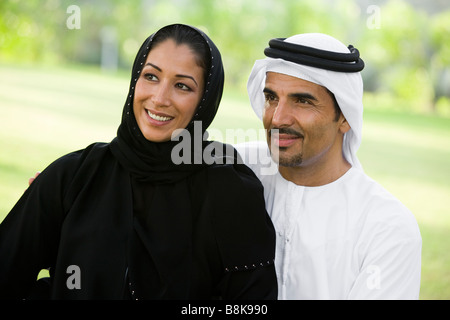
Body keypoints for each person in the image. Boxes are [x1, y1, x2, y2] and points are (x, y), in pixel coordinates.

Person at [0, 24, 277, 299]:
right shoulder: (75, 175)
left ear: (205, 100)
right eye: (151, 77)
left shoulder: (229, 189)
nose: (159, 98)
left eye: (182, 86)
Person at [235, 33, 422, 299]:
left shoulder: (386, 227)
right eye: (272, 98)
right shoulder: (233, 170)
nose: (278, 118)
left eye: (303, 101)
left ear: (344, 117)